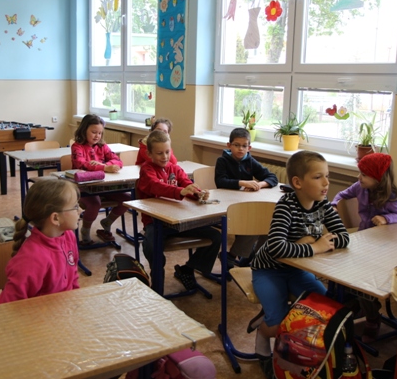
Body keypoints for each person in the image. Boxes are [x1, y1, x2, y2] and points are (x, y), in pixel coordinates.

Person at [0, 178, 115, 379]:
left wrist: (77, 315)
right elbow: (7, 310)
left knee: (119, 356)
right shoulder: (32, 259)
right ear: (55, 218)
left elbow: (73, 280)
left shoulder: (67, 236)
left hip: (63, 324)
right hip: (38, 338)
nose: (81, 210)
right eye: (75, 206)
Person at [250, 150, 350, 379]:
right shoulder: (286, 206)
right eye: (318, 177)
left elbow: (343, 237)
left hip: (297, 270)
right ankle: (262, 335)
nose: (326, 183)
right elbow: (276, 248)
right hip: (269, 270)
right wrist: (315, 248)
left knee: (325, 313)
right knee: (277, 324)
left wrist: (313, 243)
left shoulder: (323, 205)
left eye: (327, 176)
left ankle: (298, 345)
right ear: (297, 182)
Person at [331, 152, 397, 342]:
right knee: (357, 279)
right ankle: (364, 308)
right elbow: (342, 194)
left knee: (368, 281)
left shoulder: (391, 196)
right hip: (363, 240)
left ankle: (372, 318)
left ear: (378, 178)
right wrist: (334, 204)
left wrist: (386, 218)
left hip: (383, 246)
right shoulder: (360, 187)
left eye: (364, 174)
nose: (359, 177)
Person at [135, 129, 221, 291]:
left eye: (167, 152)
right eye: (159, 153)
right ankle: (157, 287)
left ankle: (187, 269)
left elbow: (187, 183)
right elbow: (156, 186)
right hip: (156, 223)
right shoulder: (146, 170)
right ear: (149, 154)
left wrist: (198, 193)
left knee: (215, 236)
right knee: (151, 246)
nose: (164, 156)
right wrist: (180, 191)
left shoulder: (175, 168)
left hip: (178, 222)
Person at [215, 127, 278, 267]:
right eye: (236, 145)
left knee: (267, 221)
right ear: (229, 145)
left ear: (249, 148)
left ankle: (255, 255)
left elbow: (272, 177)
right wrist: (242, 183)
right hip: (227, 204)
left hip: (245, 203)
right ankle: (233, 256)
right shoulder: (222, 161)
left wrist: (260, 184)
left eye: (244, 146)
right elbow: (220, 181)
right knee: (254, 224)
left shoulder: (250, 161)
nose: (240, 149)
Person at [71, 114, 130, 245]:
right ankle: (85, 230)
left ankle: (107, 222)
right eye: (94, 132)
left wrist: (106, 165)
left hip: (104, 186)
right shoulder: (77, 147)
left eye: (100, 133)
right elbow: (82, 164)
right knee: (94, 204)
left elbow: (117, 161)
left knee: (127, 199)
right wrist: (104, 167)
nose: (97, 136)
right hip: (84, 188)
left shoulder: (103, 146)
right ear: (84, 130)